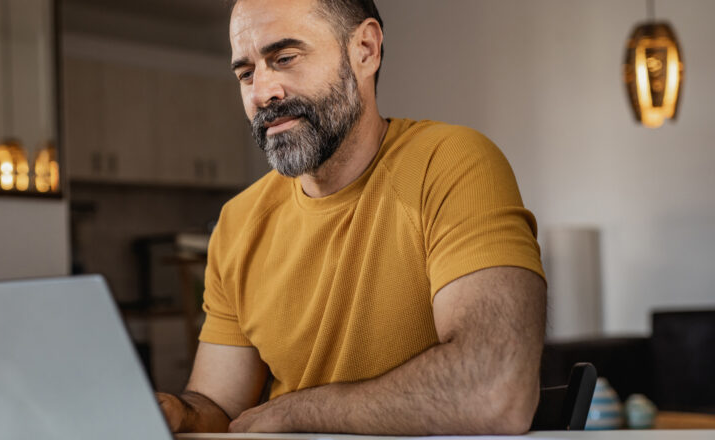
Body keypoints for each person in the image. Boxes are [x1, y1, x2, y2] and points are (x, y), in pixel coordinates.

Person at [157, 0, 547, 435]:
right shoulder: (237, 221)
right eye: (246, 73)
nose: (261, 92)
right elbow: (218, 406)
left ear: (365, 49)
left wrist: (294, 411)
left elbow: (495, 389)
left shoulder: (453, 164)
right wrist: (174, 411)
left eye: (284, 58)